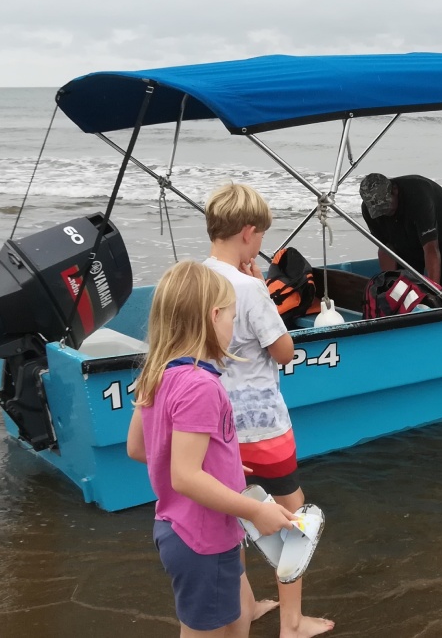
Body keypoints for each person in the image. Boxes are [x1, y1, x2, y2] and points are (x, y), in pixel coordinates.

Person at [125, 260, 298, 638]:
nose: (232, 327)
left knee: (236, 620)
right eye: (232, 318)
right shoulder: (200, 385)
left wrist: (221, 465)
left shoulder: (158, 372)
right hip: (203, 537)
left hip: (176, 527)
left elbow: (140, 447)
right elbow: (186, 477)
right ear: (213, 315)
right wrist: (257, 510)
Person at [202, 182, 335, 638]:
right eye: (260, 236)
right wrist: (260, 286)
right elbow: (282, 351)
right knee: (293, 517)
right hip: (263, 426)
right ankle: (292, 622)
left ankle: (245, 606)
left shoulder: (193, 278)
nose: (262, 246)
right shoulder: (249, 288)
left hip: (217, 425)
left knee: (235, 512)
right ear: (247, 232)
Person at [359, 173, 442, 296]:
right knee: (403, 292)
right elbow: (385, 248)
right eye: (380, 211)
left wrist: (434, 295)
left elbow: (431, 249)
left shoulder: (419, 197)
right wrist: (388, 288)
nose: (384, 213)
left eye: (386, 206)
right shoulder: (370, 210)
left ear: (395, 190)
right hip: (406, 243)